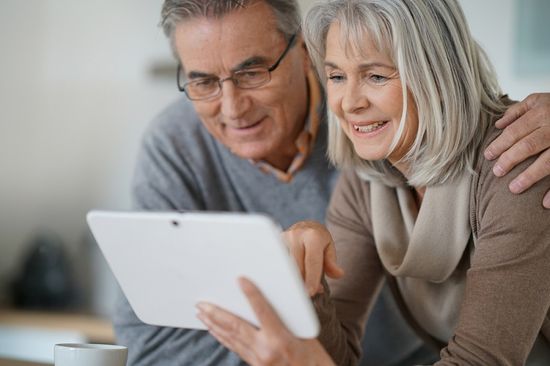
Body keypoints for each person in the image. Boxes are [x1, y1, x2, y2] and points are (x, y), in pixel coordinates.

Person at [115, 0, 550, 365]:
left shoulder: (516, 159)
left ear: (435, 71)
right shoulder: (369, 174)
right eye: (338, 76)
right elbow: (336, 349)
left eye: (376, 75)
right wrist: (308, 284)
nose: (348, 103)